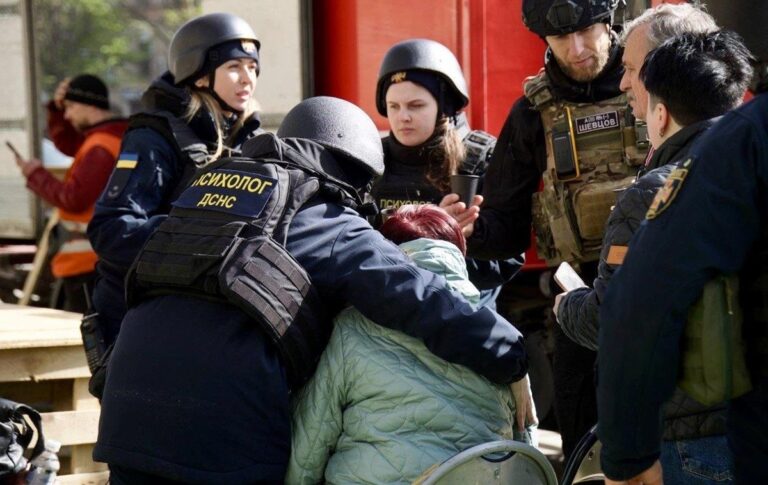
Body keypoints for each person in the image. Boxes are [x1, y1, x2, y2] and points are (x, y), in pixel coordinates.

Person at [93, 96, 528, 484]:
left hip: (124, 421)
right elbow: (419, 296)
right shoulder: (326, 217)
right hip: (222, 439)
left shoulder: (205, 192)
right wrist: (510, 355)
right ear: (355, 173)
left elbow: (120, 262)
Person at [444, 0, 646, 460]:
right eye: (560, 39)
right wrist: (467, 230)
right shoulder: (531, 114)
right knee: (584, 445)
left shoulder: (652, 84)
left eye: (586, 31)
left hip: (660, 287)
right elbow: (506, 229)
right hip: (581, 299)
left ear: (608, 22)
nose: (577, 49)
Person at [556, 30, 753, 484]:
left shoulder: (653, 193)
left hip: (690, 443)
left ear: (661, 115)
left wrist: (568, 306)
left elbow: (613, 322)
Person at [597, 2, 768, 483]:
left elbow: (635, 310)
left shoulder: (733, 152)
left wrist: (627, 456)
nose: (624, 85)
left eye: (633, 70)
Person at [287, 204, 535, 484]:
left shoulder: (350, 329)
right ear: (460, 252)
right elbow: (526, 455)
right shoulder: (501, 339)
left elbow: (308, 448)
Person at [87, 12, 263, 346]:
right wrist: (199, 235)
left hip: (199, 319)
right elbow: (110, 231)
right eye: (234, 67)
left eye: (252, 67)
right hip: (136, 325)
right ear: (200, 76)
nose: (247, 79)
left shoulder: (248, 139)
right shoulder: (154, 137)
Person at [371, 38, 522, 309]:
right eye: (394, 106)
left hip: (462, 311)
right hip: (388, 307)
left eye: (416, 105)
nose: (403, 116)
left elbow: (508, 260)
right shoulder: (371, 161)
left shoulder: (480, 160)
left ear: (444, 107)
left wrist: (467, 235)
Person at [14, 75, 127, 312]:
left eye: (71, 107)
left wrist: (35, 175)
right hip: (99, 260)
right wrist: (55, 110)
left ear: (90, 104)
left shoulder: (100, 147)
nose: (67, 115)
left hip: (88, 264)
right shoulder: (110, 137)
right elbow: (68, 143)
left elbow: (73, 199)